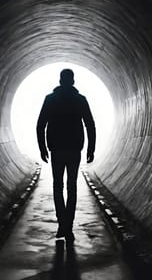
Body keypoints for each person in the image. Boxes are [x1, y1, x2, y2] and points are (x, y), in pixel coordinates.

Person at [36, 68, 96, 242]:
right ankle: (68, 226)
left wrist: (42, 148)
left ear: (60, 81)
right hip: (74, 149)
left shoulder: (50, 99)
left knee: (58, 186)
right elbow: (90, 125)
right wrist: (91, 148)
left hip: (56, 149)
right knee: (72, 187)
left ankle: (62, 223)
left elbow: (40, 125)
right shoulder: (80, 100)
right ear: (73, 81)